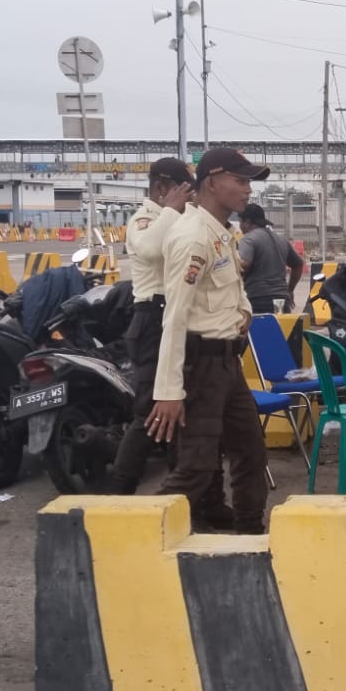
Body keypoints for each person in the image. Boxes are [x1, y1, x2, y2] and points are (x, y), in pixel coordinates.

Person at [144, 147, 273, 534]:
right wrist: (169, 392)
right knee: (197, 468)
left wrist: (244, 311)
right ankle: (142, 535)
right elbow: (175, 316)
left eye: (249, 182)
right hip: (200, 367)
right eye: (240, 180)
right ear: (212, 183)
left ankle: (250, 534)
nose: (248, 189)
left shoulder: (222, 233)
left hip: (228, 365)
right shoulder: (193, 237)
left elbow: (232, 287)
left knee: (251, 453)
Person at [107, 157, 193, 493]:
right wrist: (172, 209)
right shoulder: (145, 219)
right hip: (151, 320)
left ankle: (179, 490)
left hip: (174, 316)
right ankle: (118, 494)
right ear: (162, 188)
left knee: (180, 409)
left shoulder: (177, 218)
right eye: (185, 191)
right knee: (149, 411)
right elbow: (152, 249)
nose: (190, 198)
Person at [238, 202, 304, 316]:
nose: (240, 227)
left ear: (247, 223)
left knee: (258, 329)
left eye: (241, 222)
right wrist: (290, 290)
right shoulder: (281, 239)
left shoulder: (249, 239)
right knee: (281, 327)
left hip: (257, 301)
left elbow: (243, 264)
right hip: (282, 300)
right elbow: (298, 264)